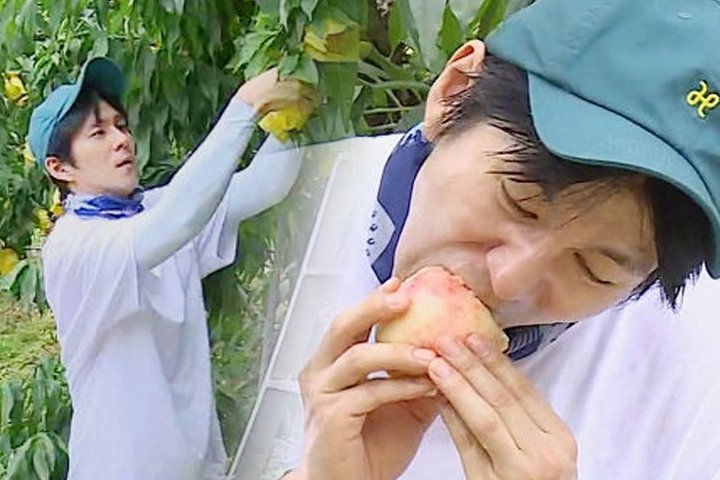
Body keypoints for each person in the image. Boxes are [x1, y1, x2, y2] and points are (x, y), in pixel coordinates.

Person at [252, 0, 720, 478]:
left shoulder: (699, 382)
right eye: (517, 203)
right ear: (455, 91)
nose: (508, 280)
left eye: (593, 269)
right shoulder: (287, 206)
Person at [28, 57, 313, 479]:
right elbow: (177, 220)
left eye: (121, 126)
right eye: (98, 133)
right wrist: (246, 105)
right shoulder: (74, 247)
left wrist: (293, 115)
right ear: (60, 167)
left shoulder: (153, 209)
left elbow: (263, 185)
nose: (122, 140)